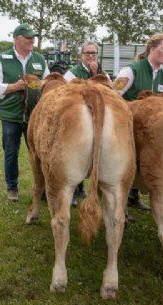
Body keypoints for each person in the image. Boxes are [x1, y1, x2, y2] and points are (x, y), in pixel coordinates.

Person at [0, 23, 49, 202]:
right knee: (11, 152)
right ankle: (12, 188)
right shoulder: (2, 59)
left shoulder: (39, 59)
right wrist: (14, 86)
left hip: (34, 116)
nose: (32, 40)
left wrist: (40, 84)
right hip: (10, 115)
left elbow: (48, 82)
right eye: (28, 37)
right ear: (16, 39)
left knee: (39, 152)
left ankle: (43, 188)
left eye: (32, 37)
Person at [116, 33, 163, 211]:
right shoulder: (131, 70)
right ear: (152, 48)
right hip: (128, 129)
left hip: (151, 133)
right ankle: (120, 204)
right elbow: (113, 96)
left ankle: (133, 197)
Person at [63, 41, 110, 206]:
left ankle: (89, 188)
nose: (91, 56)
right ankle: (74, 189)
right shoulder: (71, 74)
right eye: (87, 53)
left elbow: (111, 93)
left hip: (98, 120)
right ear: (81, 55)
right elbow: (63, 94)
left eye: (94, 53)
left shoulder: (103, 73)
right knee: (76, 154)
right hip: (77, 120)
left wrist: (96, 74)